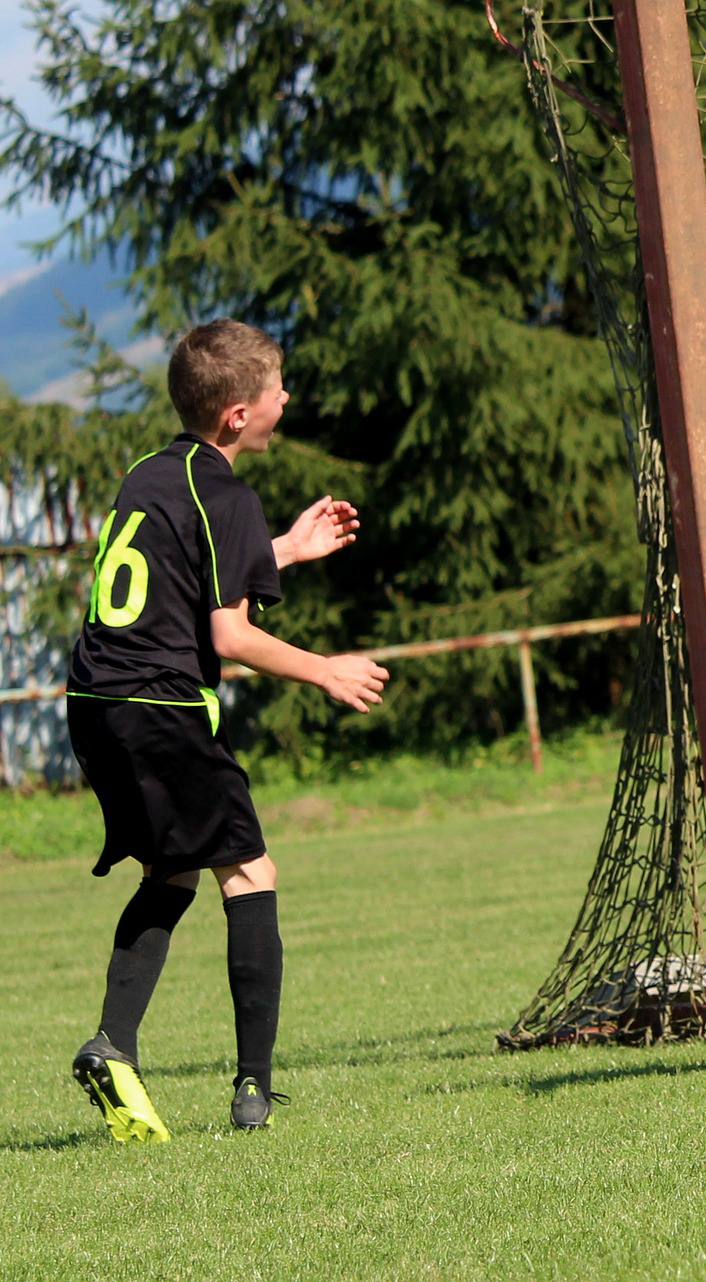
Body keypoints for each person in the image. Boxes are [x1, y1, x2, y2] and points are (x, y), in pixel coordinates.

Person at [66, 319, 388, 1140]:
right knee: (249, 872)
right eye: (276, 387)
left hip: (96, 704)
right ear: (240, 415)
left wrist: (284, 547)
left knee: (172, 871)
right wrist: (327, 668)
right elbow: (229, 637)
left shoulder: (150, 473)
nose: (287, 397)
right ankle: (252, 1092)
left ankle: (115, 1045)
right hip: (163, 707)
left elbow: (179, 575)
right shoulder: (228, 491)